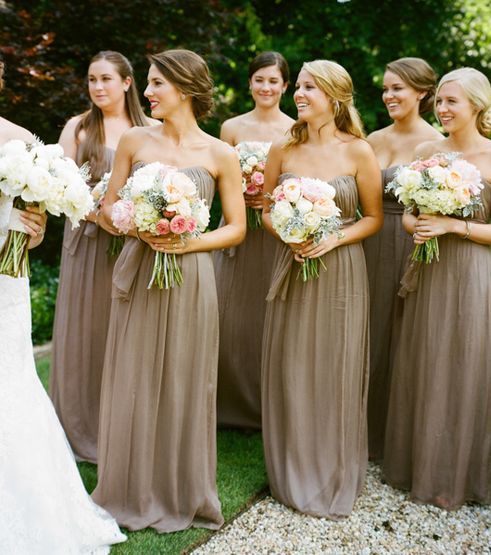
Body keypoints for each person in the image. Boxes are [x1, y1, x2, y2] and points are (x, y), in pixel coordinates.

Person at [92, 49, 245, 532]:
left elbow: (237, 228)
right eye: (150, 83)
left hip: (193, 275)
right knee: (134, 372)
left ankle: (181, 489)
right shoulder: (136, 141)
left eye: (157, 84)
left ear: (185, 88)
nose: (149, 92)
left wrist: (188, 242)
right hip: (140, 270)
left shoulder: (220, 153)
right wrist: (137, 226)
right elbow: (106, 210)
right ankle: (129, 488)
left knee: (184, 375)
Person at [0, 59, 126, 554]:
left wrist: (32, 233)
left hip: (4, 278)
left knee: (10, 379)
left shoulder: (20, 139)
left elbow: (35, 220)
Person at [383, 67, 491, 509]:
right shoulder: (427, 150)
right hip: (426, 268)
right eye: (439, 101)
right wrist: (418, 224)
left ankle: (455, 476)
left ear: (476, 105)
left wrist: (452, 225)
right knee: (421, 358)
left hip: (469, 273)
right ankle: (412, 467)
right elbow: (406, 213)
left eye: (451, 102)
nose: (442, 109)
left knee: (461, 362)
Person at [261, 59, 383, 519]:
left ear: (334, 96)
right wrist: (288, 233)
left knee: (336, 364)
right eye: (300, 86)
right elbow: (267, 212)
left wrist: (333, 237)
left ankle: (332, 469)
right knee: (292, 363)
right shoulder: (282, 150)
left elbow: (372, 218)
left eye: (309, 87)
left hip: (342, 270)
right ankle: (291, 468)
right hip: (292, 263)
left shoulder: (359, 152)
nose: (299, 94)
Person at [50, 50, 153, 463]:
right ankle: (78, 429)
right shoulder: (78, 127)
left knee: (123, 334)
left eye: (106, 79)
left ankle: (122, 427)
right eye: (92, 80)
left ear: (128, 83)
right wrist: (98, 212)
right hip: (87, 243)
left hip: (129, 245)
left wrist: (131, 217)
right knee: (84, 332)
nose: (98, 88)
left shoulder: (149, 129)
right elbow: (59, 186)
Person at [364, 57, 443, 462]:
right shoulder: (373, 139)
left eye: (397, 88)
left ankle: (397, 438)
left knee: (406, 335)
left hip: (415, 244)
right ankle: (362, 433)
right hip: (369, 243)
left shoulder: (437, 144)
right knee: (369, 333)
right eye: (385, 88)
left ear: (421, 93)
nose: (389, 95)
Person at [214, 51, 294, 430]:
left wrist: (272, 199)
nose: (266, 87)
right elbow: (217, 176)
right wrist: (238, 194)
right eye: (259, 79)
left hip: (274, 230)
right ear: (249, 83)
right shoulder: (231, 127)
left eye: (273, 81)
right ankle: (226, 402)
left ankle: (265, 406)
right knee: (229, 315)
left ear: (285, 86)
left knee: (268, 317)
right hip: (236, 227)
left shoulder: (295, 129)